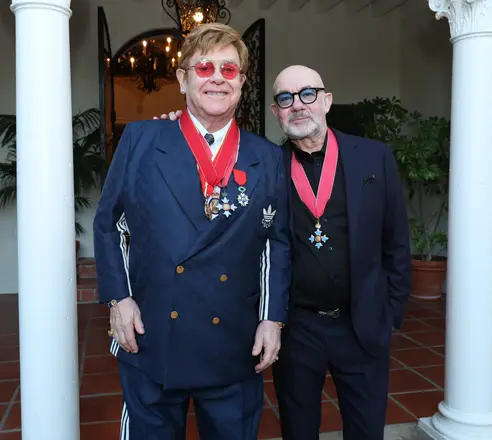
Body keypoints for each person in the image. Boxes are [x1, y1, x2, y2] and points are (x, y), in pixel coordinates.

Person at [156, 65, 411, 440]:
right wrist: (176, 130)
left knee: (367, 428)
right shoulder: (266, 165)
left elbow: (397, 242)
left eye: (307, 94)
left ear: (326, 101)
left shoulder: (374, 157)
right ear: (276, 112)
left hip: (362, 323)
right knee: (298, 427)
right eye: (285, 98)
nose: (298, 105)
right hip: (296, 327)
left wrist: (390, 310)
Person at [93, 23, 292, 440]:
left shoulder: (267, 157)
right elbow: (108, 222)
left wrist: (272, 318)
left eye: (229, 69)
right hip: (150, 334)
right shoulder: (142, 139)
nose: (217, 76)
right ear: (183, 80)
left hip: (233, 343)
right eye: (203, 67)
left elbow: (276, 243)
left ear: (240, 82)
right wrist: (118, 297)